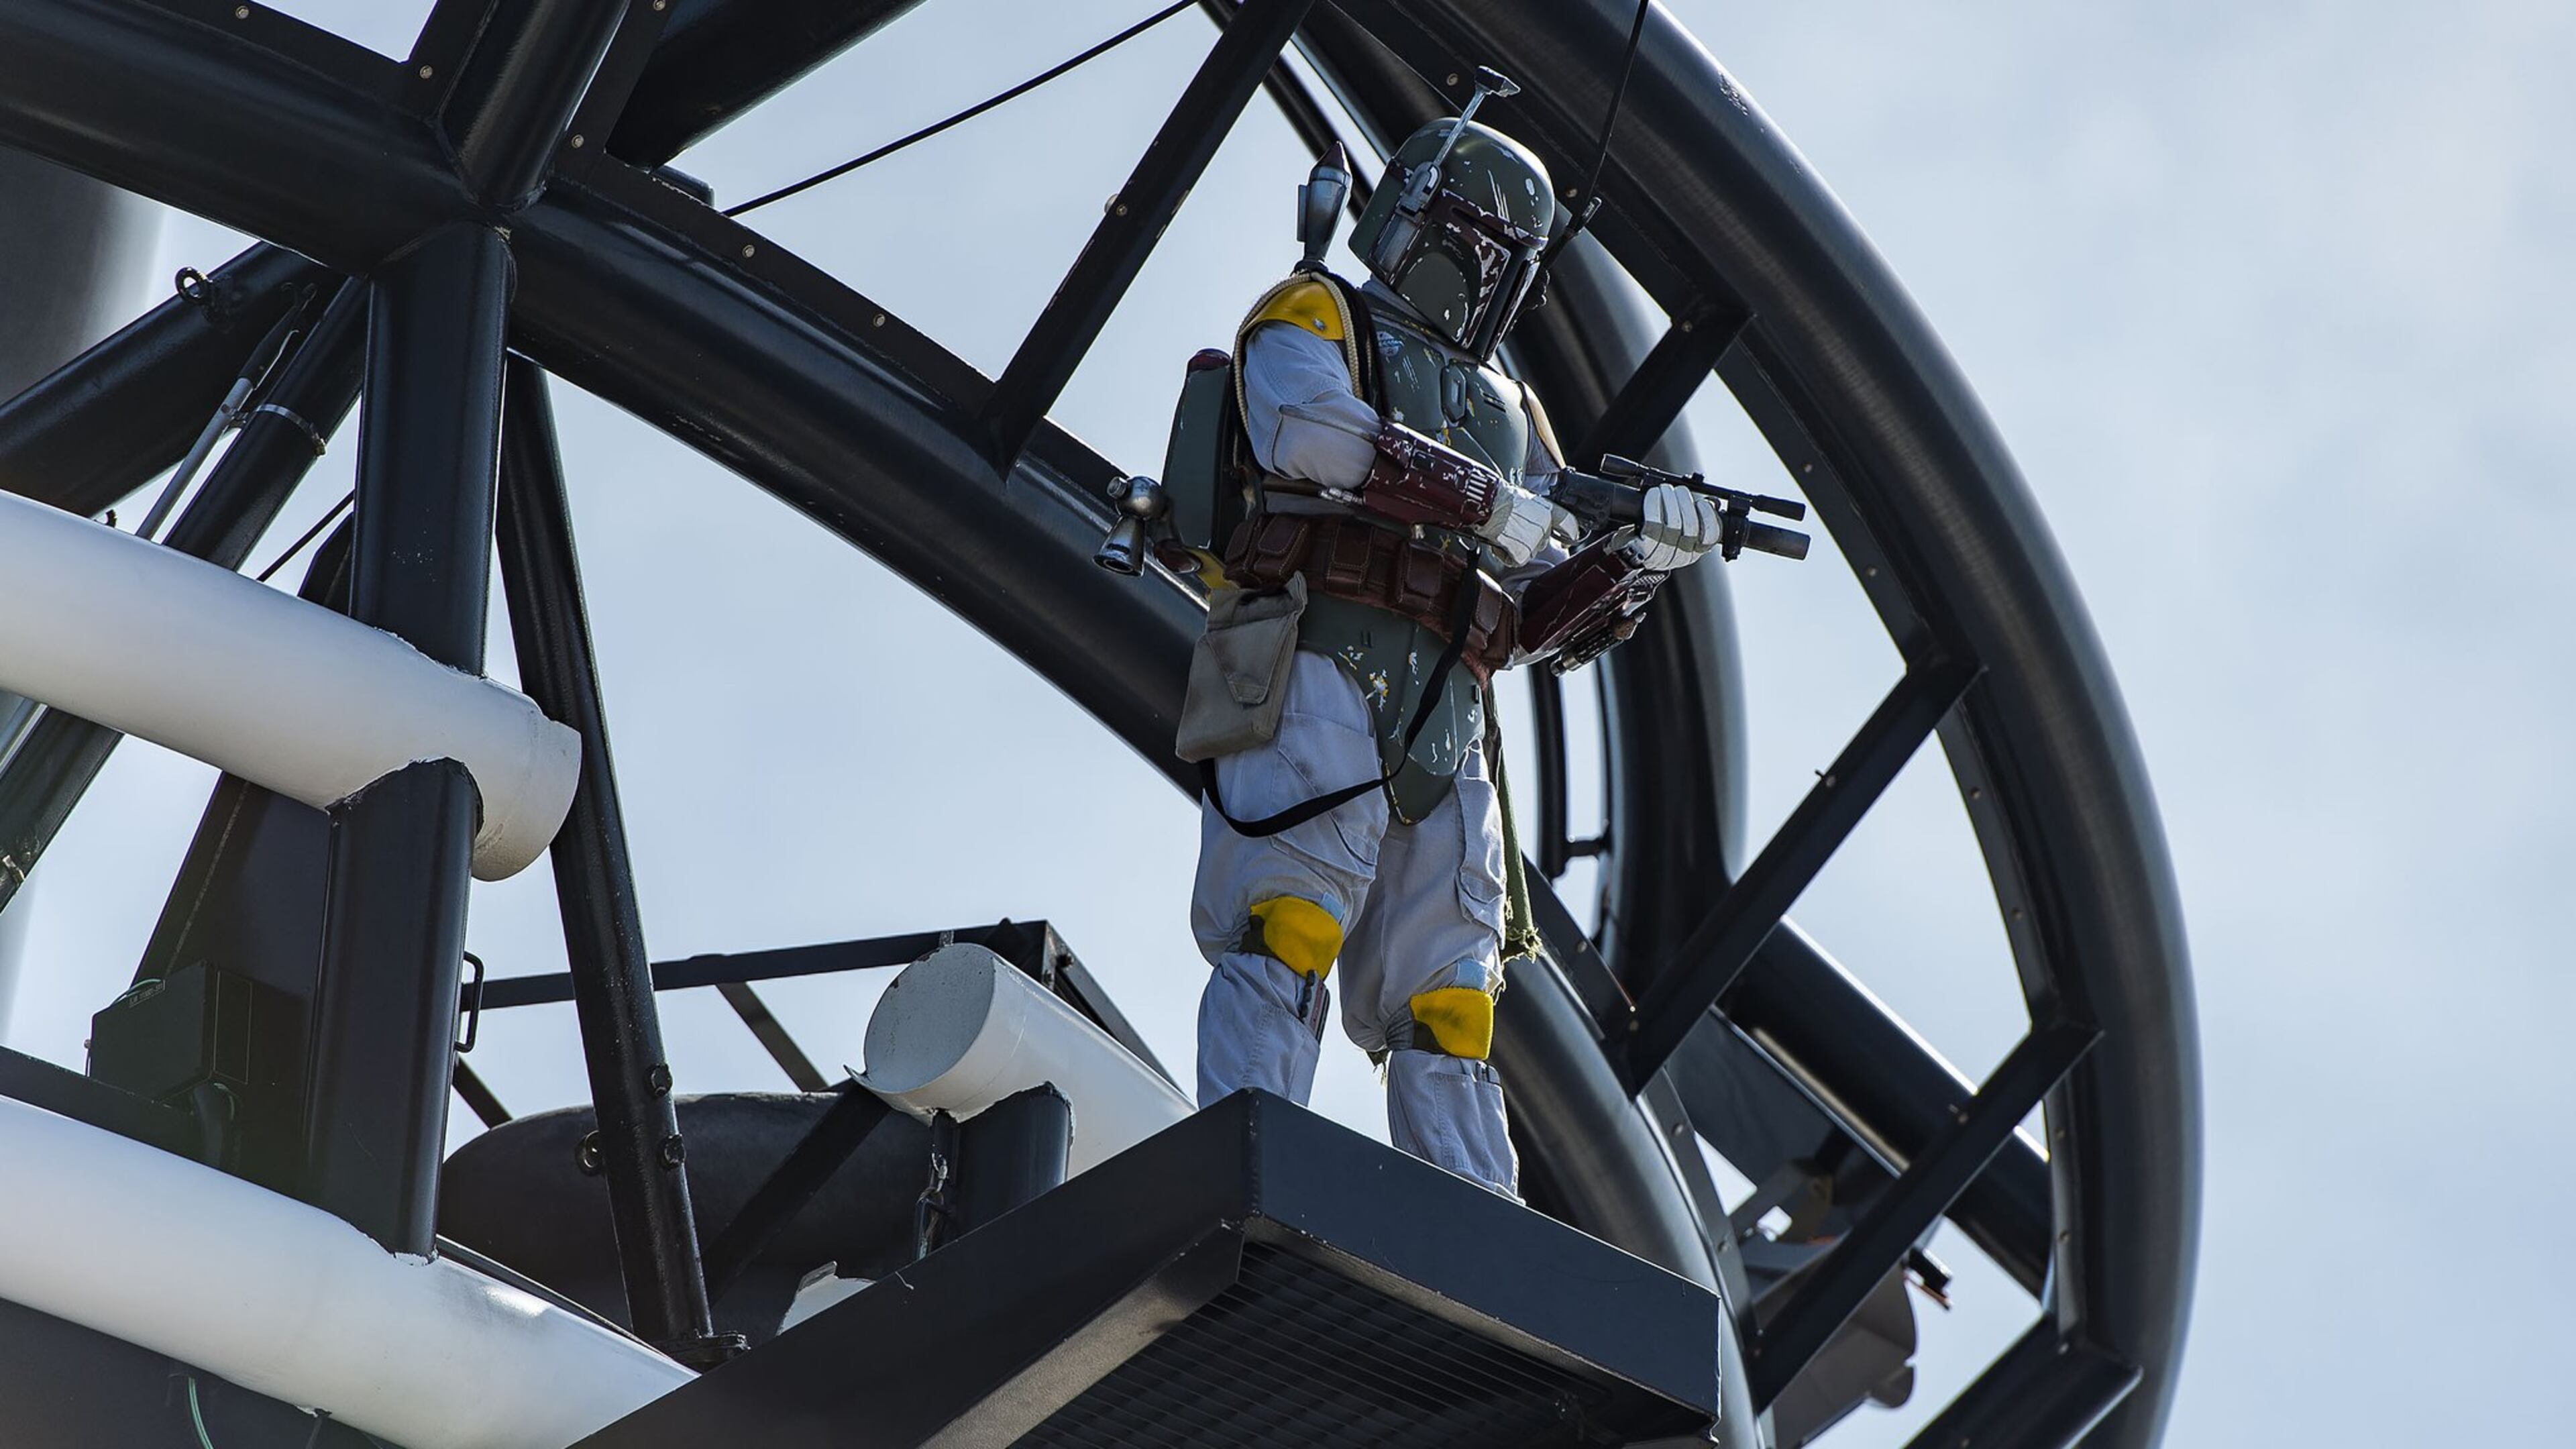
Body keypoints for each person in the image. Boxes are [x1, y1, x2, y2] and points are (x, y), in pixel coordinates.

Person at [1179, 85, 1727, 1197]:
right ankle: (1246, 1153)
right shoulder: (1319, 312)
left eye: (1505, 259)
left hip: (1451, 710)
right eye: (1474, 248)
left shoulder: (1509, 405)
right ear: (1420, 224)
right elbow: (1306, 430)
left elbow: (1530, 612)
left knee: (1452, 991)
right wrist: (1479, 499)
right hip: (1322, 657)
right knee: (1286, 922)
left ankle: (1472, 1219)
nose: (1484, 278)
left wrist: (1633, 565)